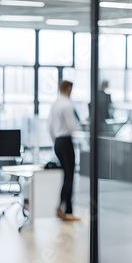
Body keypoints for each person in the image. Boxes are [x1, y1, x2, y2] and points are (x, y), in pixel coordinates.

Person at [49, 80, 80, 221]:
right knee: (69, 177)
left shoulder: (55, 104)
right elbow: (72, 126)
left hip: (57, 142)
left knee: (66, 176)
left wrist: (55, 140)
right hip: (66, 141)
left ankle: (67, 210)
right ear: (69, 89)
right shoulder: (67, 105)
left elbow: (49, 126)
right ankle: (63, 209)